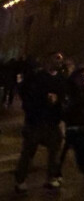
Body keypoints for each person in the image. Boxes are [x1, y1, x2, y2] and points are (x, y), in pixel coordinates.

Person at [14, 52, 67, 193]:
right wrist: (39, 101)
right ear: (48, 60)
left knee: (54, 151)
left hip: (52, 121)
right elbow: (25, 93)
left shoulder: (61, 79)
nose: (58, 62)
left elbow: (64, 97)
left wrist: (58, 101)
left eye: (60, 60)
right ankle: (20, 180)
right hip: (36, 120)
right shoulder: (37, 77)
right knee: (28, 152)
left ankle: (51, 177)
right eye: (56, 59)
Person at [60, 68, 84, 177]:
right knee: (74, 145)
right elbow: (81, 104)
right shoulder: (72, 89)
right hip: (74, 120)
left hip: (82, 121)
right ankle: (57, 169)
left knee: (81, 145)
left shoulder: (83, 89)